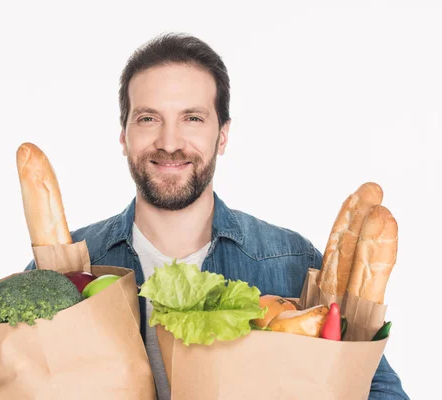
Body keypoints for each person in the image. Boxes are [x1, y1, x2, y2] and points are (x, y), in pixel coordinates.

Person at [25, 32, 408, 399]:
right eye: (148, 119)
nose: (170, 142)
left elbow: (376, 389)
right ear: (124, 136)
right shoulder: (62, 270)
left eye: (192, 118)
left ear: (222, 136)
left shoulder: (292, 262)